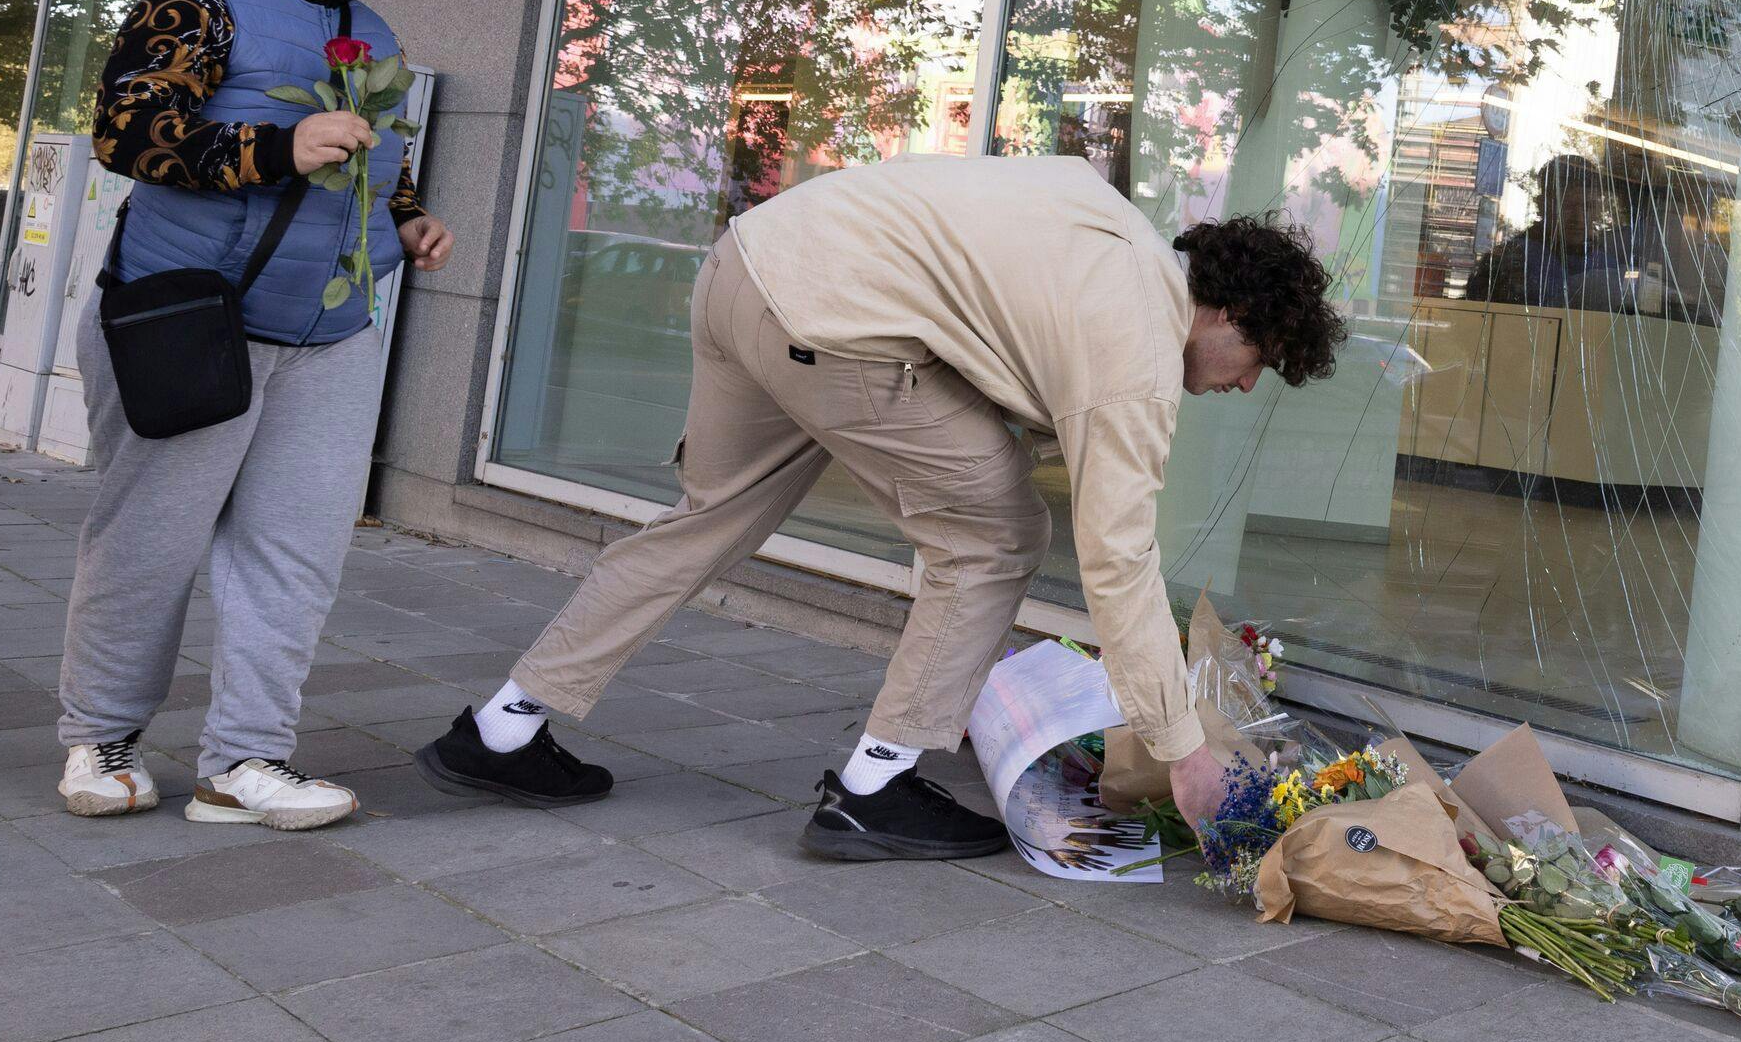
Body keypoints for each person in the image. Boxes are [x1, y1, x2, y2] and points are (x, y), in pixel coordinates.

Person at [416, 155, 1343, 857]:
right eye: (1259, 364)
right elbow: (1117, 556)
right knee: (996, 536)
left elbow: (980, 313)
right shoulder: (1137, 345)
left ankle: (501, 725)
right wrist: (1183, 750)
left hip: (747, 266)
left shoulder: (1104, 219)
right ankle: (876, 788)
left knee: (710, 514)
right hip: (837, 327)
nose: (1245, 386)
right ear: (1227, 316)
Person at [55, 0, 455, 831]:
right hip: (188, 319)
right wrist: (279, 145)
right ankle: (99, 740)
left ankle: (245, 764)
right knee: (150, 539)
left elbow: (382, 153)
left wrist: (408, 218)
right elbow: (126, 130)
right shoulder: (200, 0)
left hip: (330, 334)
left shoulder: (377, 33)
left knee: (296, 554)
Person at [1465, 152, 1627, 309]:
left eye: (1588, 206)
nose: (1579, 218)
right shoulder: (1511, 260)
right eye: (1567, 206)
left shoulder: (1608, 266)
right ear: (1543, 205)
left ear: (1599, 209)